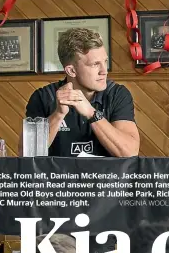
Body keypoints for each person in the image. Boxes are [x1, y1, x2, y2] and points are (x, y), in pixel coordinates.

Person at [21, 28, 139, 157]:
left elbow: (129, 152)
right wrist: (58, 114)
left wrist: (91, 113)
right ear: (71, 71)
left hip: (106, 176)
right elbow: (26, 154)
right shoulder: (43, 97)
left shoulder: (117, 94)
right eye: (95, 64)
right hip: (57, 176)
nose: (104, 71)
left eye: (105, 62)